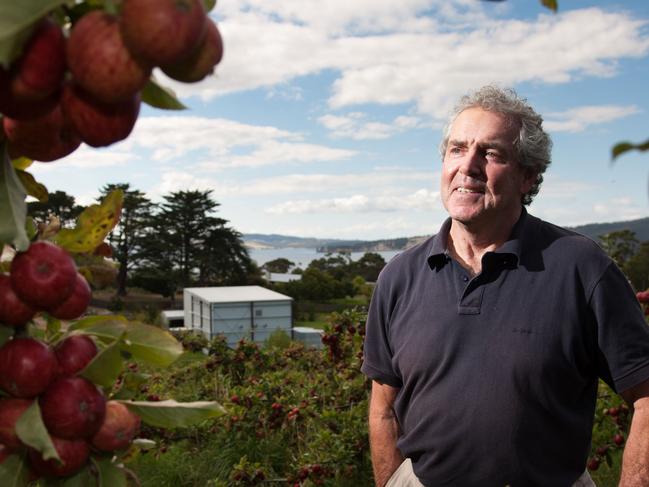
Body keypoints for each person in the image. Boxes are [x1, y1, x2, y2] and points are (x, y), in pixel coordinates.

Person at [361, 85, 649, 487]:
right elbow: (383, 408)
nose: (468, 166)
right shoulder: (399, 276)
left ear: (528, 176)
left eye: (491, 153)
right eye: (457, 149)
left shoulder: (582, 267)